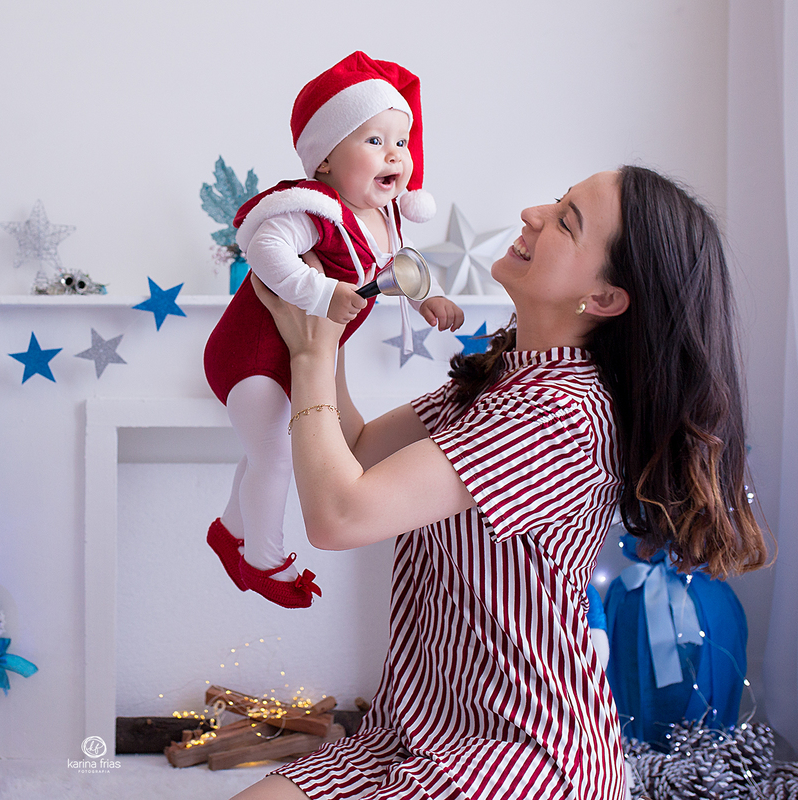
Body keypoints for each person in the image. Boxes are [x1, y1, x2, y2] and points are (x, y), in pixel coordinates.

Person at [231, 166, 769, 799]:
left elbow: (339, 517)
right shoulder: (501, 376)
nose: (534, 213)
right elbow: (353, 452)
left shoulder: (561, 414)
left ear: (602, 299)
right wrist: (329, 319)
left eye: (566, 221)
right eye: (558, 198)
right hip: (410, 733)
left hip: (523, 755)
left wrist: (310, 356)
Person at [204, 52, 465, 609]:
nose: (394, 154)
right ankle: (263, 561)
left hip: (295, 357)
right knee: (275, 456)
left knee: (261, 453)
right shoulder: (314, 210)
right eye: (373, 141)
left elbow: (398, 267)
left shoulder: (383, 217)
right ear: (324, 160)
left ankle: (230, 535)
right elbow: (265, 247)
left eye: (401, 142)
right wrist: (318, 293)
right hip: (251, 357)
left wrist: (428, 297)